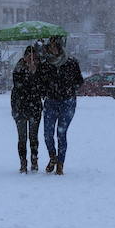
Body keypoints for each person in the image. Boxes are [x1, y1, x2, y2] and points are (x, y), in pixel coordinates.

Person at [38, 36, 83, 175]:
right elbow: (40, 82)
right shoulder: (46, 64)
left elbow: (79, 81)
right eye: (49, 46)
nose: (51, 49)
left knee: (61, 133)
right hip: (51, 101)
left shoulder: (71, 62)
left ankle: (60, 163)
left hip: (67, 102)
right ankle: (53, 157)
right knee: (47, 134)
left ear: (59, 46)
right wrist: (45, 89)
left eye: (53, 46)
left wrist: (69, 88)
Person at [11, 45, 43, 173]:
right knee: (22, 137)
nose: (31, 59)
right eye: (28, 56)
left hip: (34, 107)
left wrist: (35, 73)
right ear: (24, 57)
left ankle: (34, 159)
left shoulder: (40, 69)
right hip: (20, 108)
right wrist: (28, 74)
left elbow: (41, 88)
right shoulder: (18, 68)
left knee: (33, 136)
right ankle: (23, 161)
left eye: (33, 56)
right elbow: (18, 87)